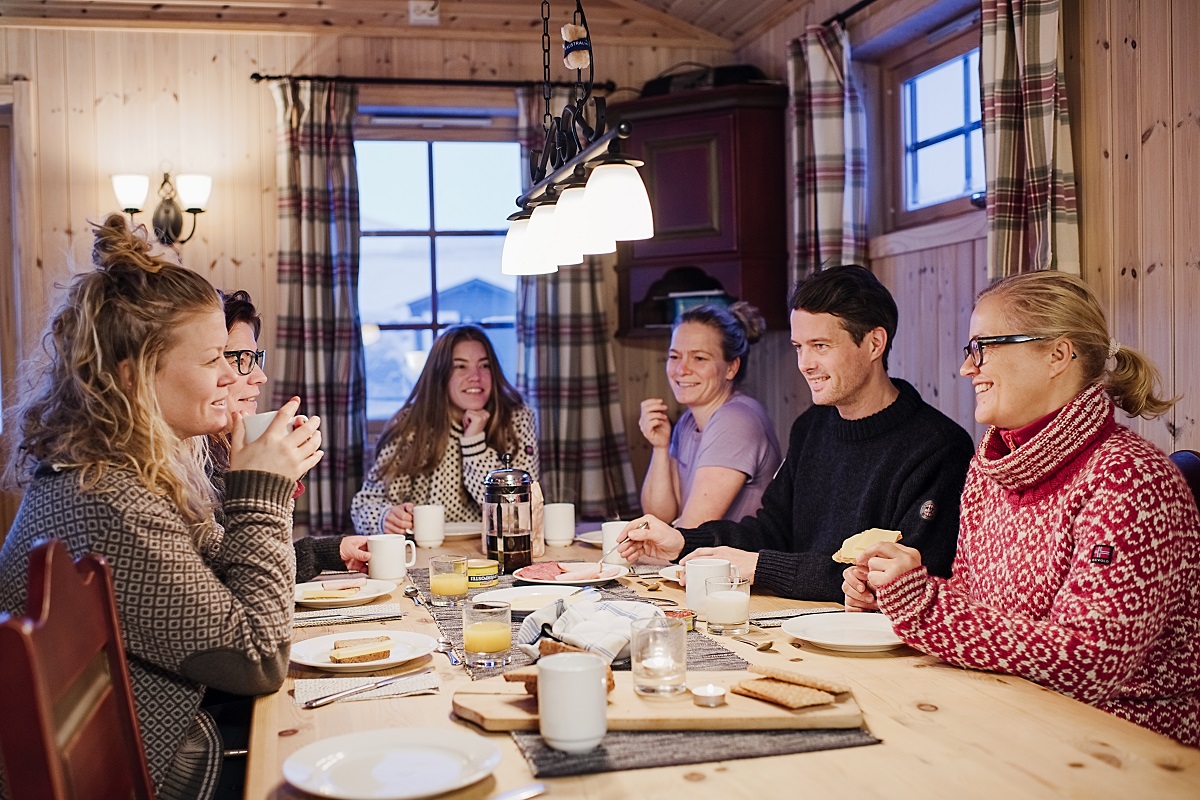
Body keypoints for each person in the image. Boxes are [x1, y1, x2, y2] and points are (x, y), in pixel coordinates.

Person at [0, 215, 323, 799]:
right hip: (175, 771)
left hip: (175, 746)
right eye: (211, 360)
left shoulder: (119, 474)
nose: (234, 376)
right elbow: (258, 656)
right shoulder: (109, 503)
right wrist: (260, 493)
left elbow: (224, 568)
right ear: (134, 376)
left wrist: (263, 491)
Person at [842, 271, 1200, 747]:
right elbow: (975, 606)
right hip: (1008, 710)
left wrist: (925, 605)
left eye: (983, 347)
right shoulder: (990, 470)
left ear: (1057, 354)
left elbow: (1092, 660)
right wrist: (891, 598)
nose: (969, 369)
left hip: (1124, 742)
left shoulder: (1130, 480)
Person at [619, 265, 974, 602]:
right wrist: (682, 541)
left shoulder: (939, 448)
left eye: (820, 346)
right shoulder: (811, 427)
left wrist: (761, 567)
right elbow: (772, 531)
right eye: (798, 347)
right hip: (799, 625)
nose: (804, 364)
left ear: (874, 344)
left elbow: (903, 582)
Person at [213, 290, 370, 580]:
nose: (260, 376)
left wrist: (331, 552)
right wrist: (266, 484)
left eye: (255, 357)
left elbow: (252, 559)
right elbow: (240, 574)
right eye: (241, 358)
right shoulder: (188, 473)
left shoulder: (219, 452)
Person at [352, 324, 539, 533]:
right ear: (440, 374)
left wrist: (474, 443)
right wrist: (385, 517)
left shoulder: (517, 419)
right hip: (425, 554)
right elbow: (364, 505)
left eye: (484, 366)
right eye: (460, 366)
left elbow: (519, 515)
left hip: (493, 551)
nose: (475, 376)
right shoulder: (412, 424)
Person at [639, 302, 782, 527]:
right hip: (701, 558)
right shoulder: (687, 422)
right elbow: (660, 517)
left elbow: (694, 528)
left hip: (735, 560)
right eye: (675, 356)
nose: (681, 370)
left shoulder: (736, 421)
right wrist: (660, 447)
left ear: (731, 368)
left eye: (699, 358)